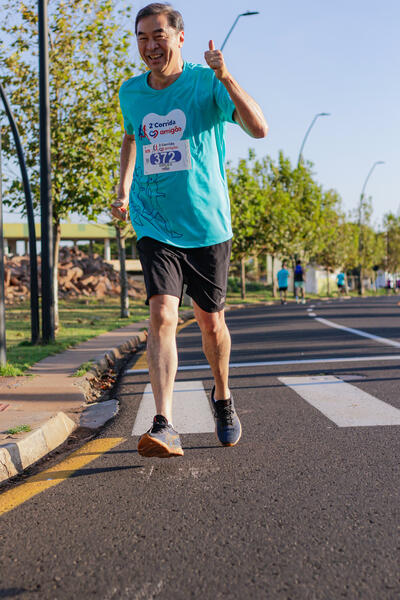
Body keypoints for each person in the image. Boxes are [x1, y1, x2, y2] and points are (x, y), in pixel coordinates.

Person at [111, 3, 268, 458]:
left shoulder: (205, 83)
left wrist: (226, 76)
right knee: (161, 315)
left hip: (206, 223)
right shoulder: (131, 93)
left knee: (210, 322)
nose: (149, 45)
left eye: (158, 35)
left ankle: (222, 397)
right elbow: (131, 136)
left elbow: (259, 129)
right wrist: (122, 188)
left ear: (180, 38)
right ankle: (164, 424)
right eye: (141, 37)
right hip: (153, 219)